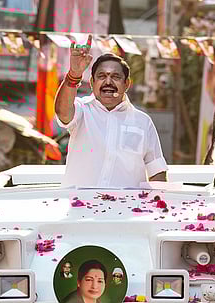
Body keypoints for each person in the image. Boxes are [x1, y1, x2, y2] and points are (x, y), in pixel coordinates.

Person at [55, 35, 168, 188]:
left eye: (115, 76)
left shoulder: (142, 122)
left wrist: (159, 205)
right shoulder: (82, 110)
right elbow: (62, 112)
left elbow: (156, 170)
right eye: (102, 76)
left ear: (126, 84)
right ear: (92, 83)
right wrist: (74, 75)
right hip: (79, 207)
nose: (108, 82)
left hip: (127, 208)